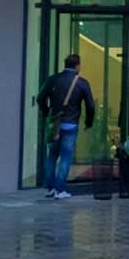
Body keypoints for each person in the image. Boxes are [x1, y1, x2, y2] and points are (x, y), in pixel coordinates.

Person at [36, 53, 95, 199]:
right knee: (66, 157)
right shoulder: (82, 83)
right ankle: (60, 189)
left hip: (54, 123)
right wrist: (88, 122)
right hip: (70, 124)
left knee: (52, 155)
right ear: (77, 66)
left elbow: (40, 98)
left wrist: (46, 112)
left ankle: (50, 187)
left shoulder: (53, 79)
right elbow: (90, 106)